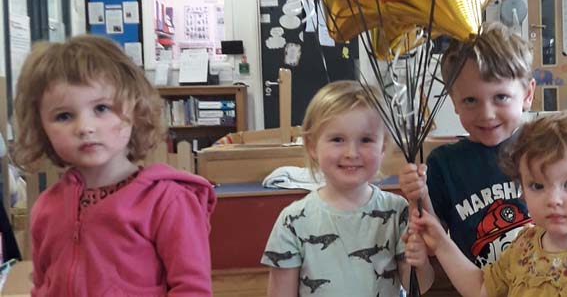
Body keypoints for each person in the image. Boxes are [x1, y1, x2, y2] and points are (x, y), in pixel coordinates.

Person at [10, 35, 216, 296]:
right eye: (64, 116)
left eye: (102, 108)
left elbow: (192, 290)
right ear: (41, 128)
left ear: (136, 110)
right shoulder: (46, 208)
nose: (85, 127)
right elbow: (41, 286)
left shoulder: (168, 201)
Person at [406, 111, 567, 296]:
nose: (553, 199)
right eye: (537, 186)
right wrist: (440, 241)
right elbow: (481, 288)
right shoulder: (522, 247)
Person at [262, 80, 434, 296]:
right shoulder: (292, 221)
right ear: (312, 146)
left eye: (365, 140)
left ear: (383, 147)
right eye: (337, 139)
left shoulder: (398, 211)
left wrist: (420, 261)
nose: (352, 153)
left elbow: (420, 285)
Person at [400, 22, 536, 267]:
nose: (487, 114)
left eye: (501, 97)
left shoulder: (544, 148)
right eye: (471, 100)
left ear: (527, 94)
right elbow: (433, 246)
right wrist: (419, 196)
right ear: (454, 101)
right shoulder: (443, 164)